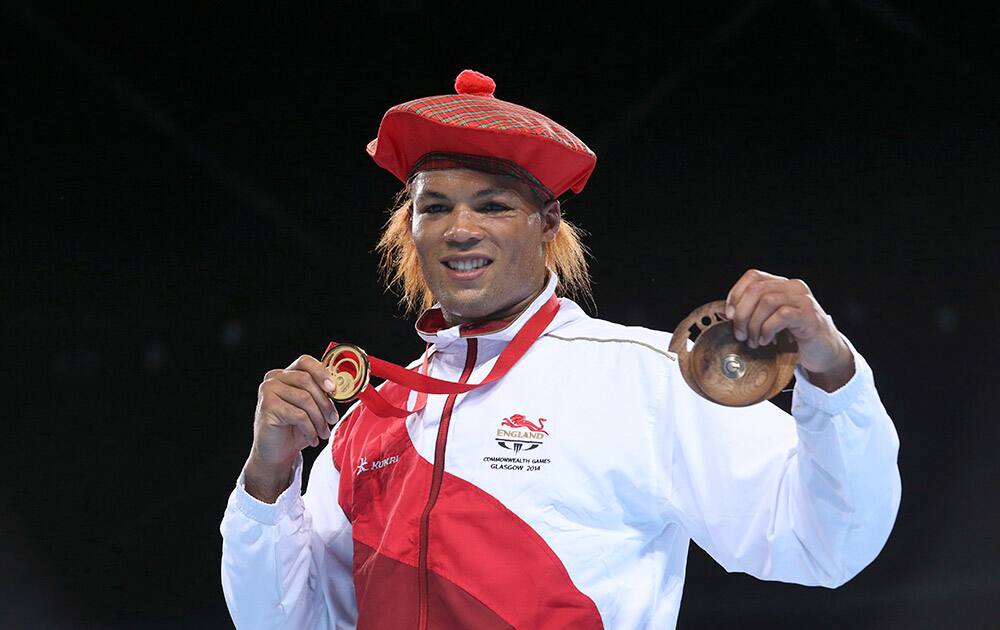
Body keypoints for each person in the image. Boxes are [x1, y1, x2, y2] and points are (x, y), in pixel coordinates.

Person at [220, 70, 900, 629]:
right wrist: (268, 476)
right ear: (409, 229)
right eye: (434, 208)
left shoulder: (640, 378)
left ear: (547, 224)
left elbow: (827, 540)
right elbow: (280, 623)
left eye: (492, 206)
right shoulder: (368, 418)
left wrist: (830, 366)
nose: (460, 229)